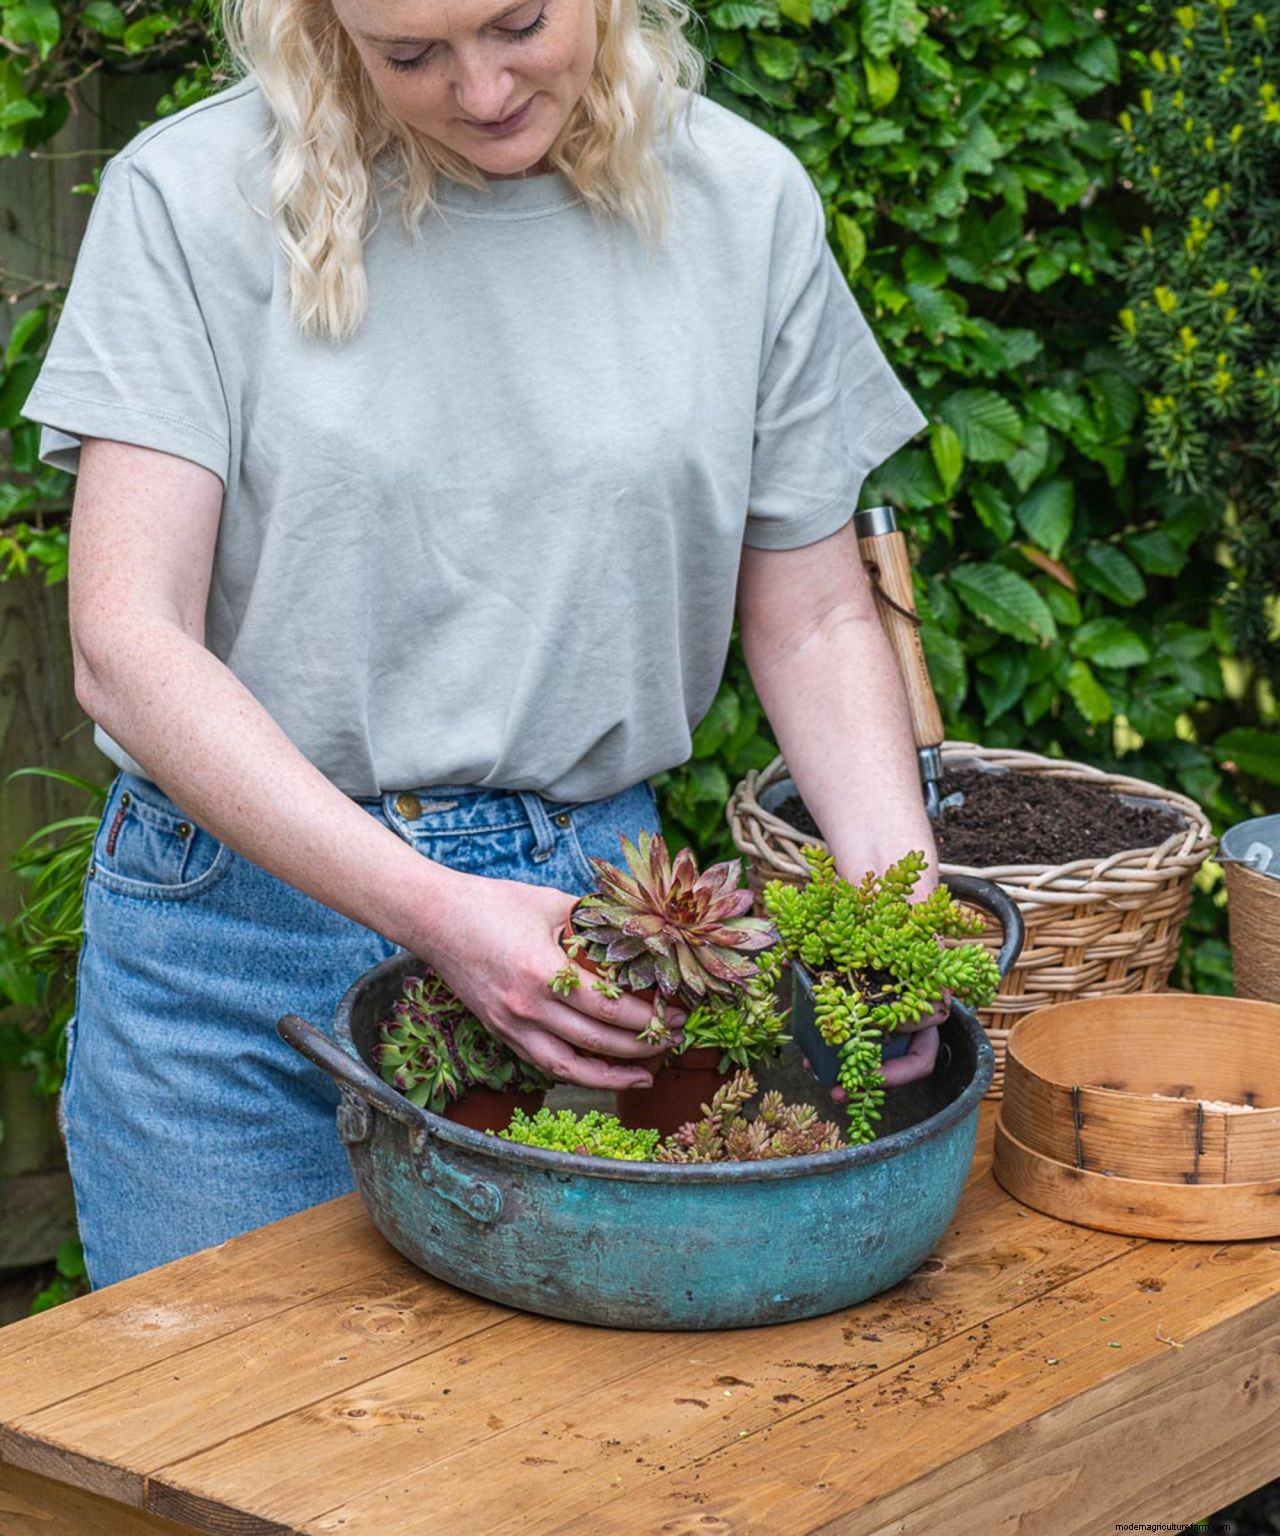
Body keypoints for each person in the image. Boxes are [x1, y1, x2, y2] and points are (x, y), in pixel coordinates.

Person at [21, 0, 938, 1291]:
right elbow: (124, 641)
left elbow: (819, 611)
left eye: (518, 23)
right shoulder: (187, 204)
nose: (484, 86)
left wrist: (901, 923)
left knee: (567, 1474)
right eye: (413, 56)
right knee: (232, 1468)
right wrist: (436, 912)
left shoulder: (743, 206)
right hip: (235, 970)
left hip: (596, 952)